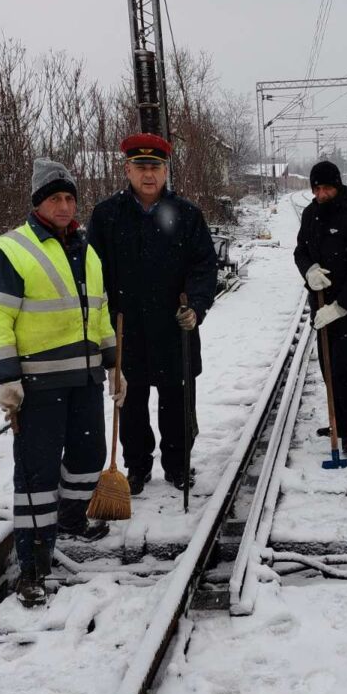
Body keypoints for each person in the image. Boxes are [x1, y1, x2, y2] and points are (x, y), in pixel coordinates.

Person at [0, 158, 126, 607]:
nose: (64, 206)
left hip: (84, 378)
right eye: (54, 198)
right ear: (38, 203)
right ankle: (33, 564)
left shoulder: (87, 250)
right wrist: (8, 379)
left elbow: (99, 314)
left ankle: (70, 518)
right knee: (36, 475)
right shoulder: (12, 249)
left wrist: (115, 365)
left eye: (69, 198)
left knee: (87, 459)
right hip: (37, 384)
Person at [88, 133, 218, 495]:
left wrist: (195, 305)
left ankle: (178, 465)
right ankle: (137, 466)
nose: (149, 174)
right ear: (127, 169)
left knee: (178, 401)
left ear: (166, 170)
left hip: (175, 326)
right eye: (141, 167)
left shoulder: (187, 214)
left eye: (156, 167)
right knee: (130, 402)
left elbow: (205, 266)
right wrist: (103, 320)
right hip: (125, 327)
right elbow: (93, 271)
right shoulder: (107, 216)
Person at [293, 160, 347, 455]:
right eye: (317, 188)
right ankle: (336, 420)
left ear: (337, 187)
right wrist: (309, 269)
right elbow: (300, 249)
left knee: (341, 366)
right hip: (321, 304)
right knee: (328, 368)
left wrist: (340, 307)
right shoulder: (310, 214)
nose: (322, 193)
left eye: (327, 188)